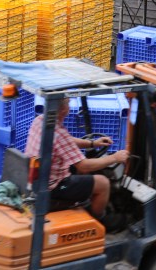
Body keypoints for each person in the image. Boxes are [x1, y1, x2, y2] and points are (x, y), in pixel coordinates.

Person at [24, 98, 129, 232]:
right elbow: (84, 166)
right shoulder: (58, 132)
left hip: (39, 180)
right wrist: (114, 158)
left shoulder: (40, 121)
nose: (69, 106)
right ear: (63, 109)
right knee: (103, 183)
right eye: (68, 103)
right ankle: (99, 223)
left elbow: (67, 140)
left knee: (79, 170)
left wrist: (93, 143)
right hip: (54, 187)